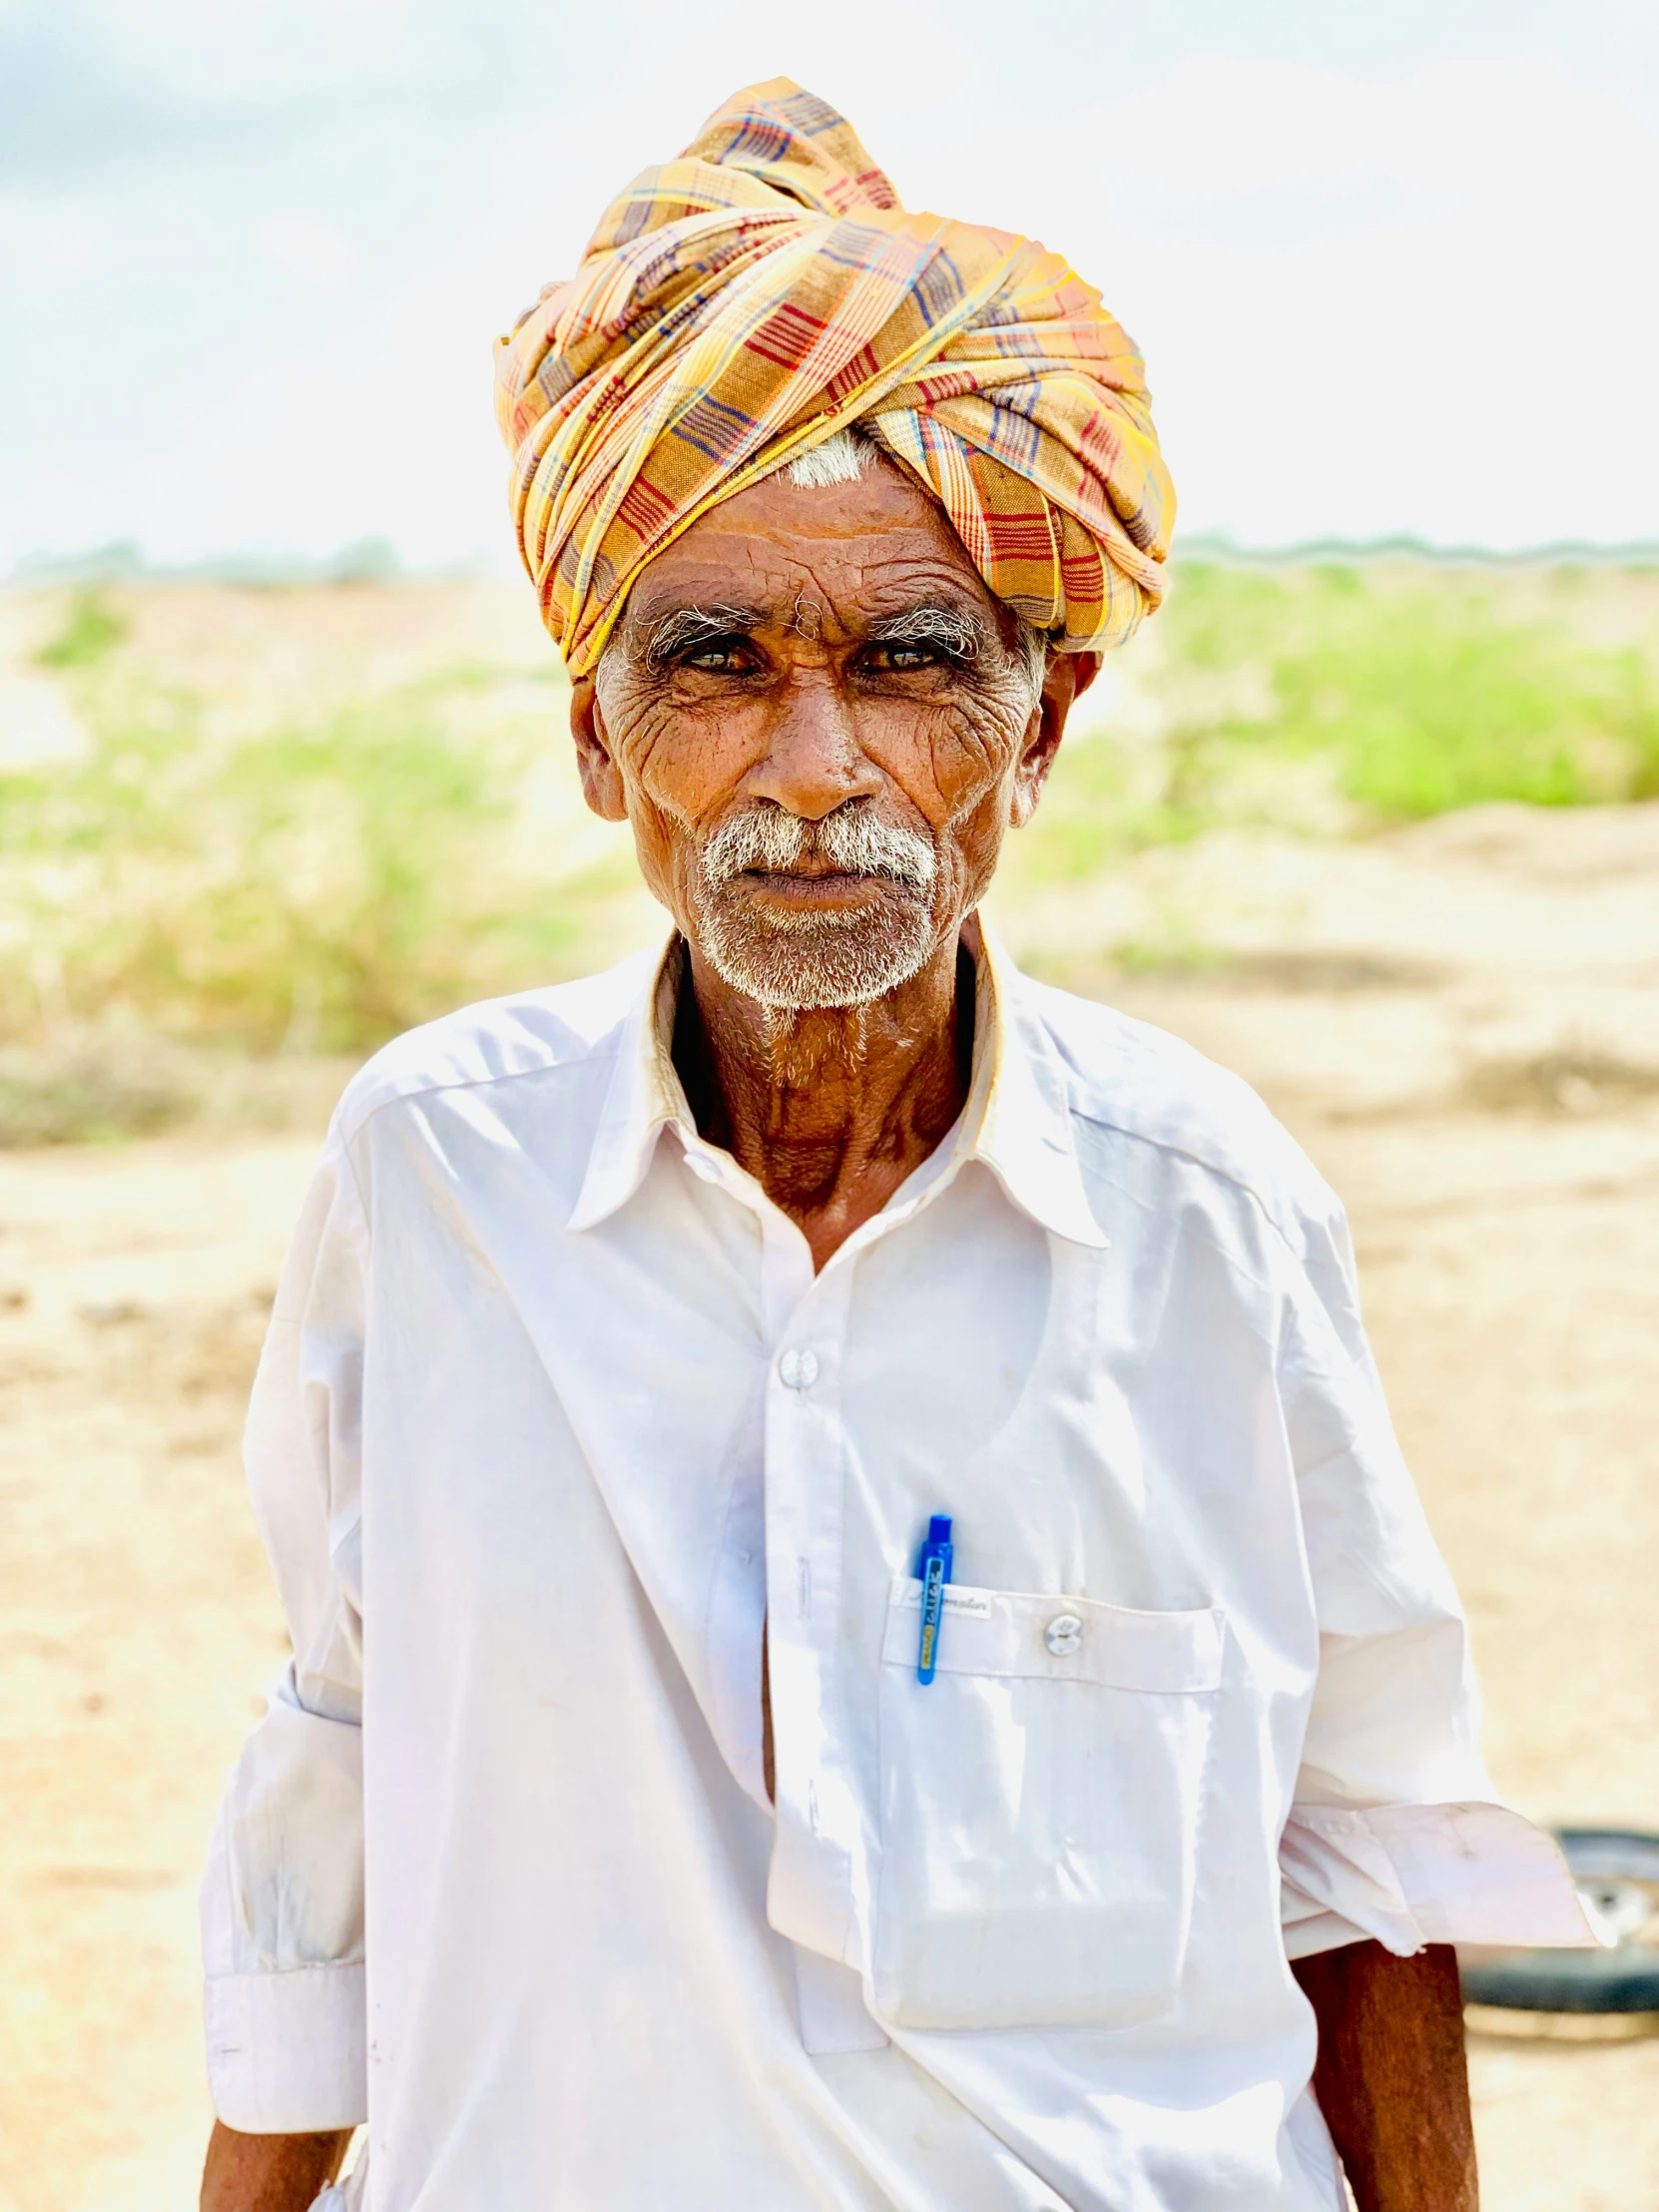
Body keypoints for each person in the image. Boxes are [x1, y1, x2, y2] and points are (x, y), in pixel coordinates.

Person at [199, 80, 1592, 2212]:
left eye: (912, 661)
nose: (821, 768)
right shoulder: (434, 1176)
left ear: (1037, 727)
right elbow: (341, 1771)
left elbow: (1373, 1853)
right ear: (599, 736)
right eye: (719, 664)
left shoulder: (1206, 1210)